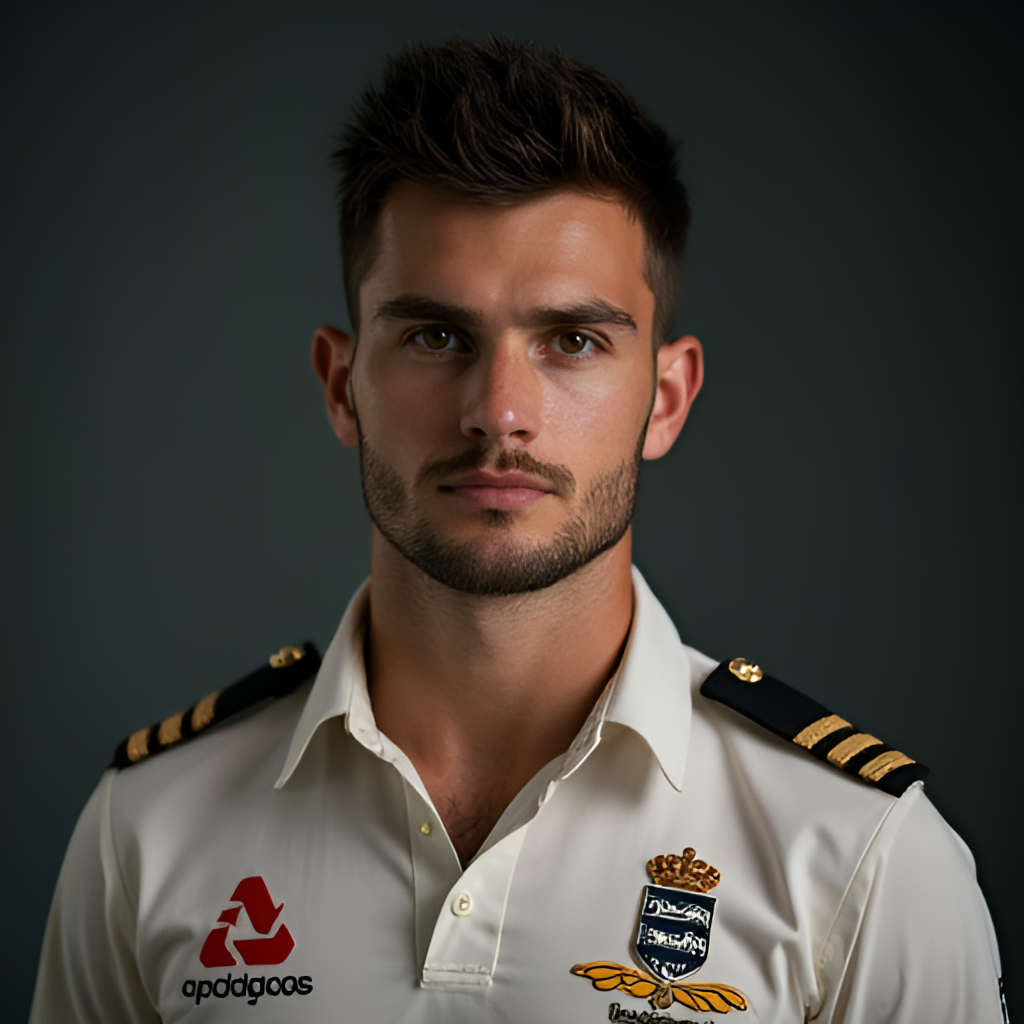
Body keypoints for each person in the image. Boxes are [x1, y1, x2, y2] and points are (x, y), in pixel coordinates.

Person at [30, 37, 1006, 1024]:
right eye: (435, 336)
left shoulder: (865, 861)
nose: (499, 412)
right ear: (340, 384)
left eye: (572, 340)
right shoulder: (147, 829)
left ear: (666, 398)